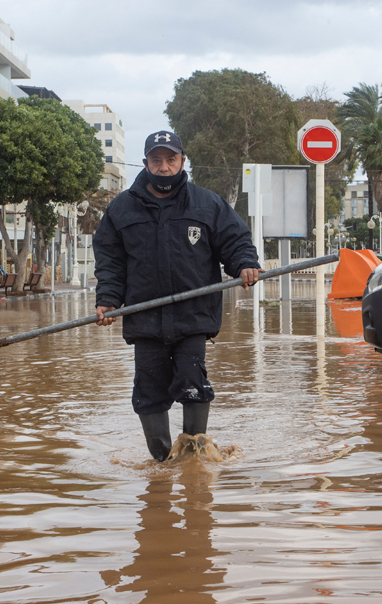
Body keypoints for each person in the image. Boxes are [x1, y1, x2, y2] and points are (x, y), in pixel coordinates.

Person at [94, 131, 262, 462]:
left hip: (193, 316)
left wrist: (245, 265)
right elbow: (110, 261)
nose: (165, 167)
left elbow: (235, 240)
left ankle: (195, 461)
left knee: (193, 382)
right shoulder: (121, 209)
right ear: (145, 164)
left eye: (171, 160)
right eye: (157, 160)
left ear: (183, 161)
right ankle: (162, 464)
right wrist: (109, 299)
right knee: (149, 389)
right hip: (145, 319)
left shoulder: (207, 203)